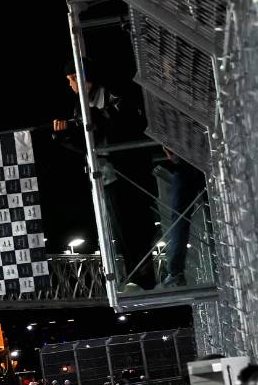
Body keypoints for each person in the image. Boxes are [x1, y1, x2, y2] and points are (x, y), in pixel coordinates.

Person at [54, 59, 156, 292]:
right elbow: (86, 145)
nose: (71, 85)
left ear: (86, 76)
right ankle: (136, 276)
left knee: (139, 222)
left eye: (73, 78)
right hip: (105, 174)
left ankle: (146, 275)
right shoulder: (79, 107)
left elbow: (127, 122)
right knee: (120, 227)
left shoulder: (111, 93)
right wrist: (65, 137)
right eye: (69, 80)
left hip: (129, 169)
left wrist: (95, 119)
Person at [153, 148, 206, 288]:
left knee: (179, 219)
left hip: (186, 164)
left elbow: (170, 150)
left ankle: (176, 271)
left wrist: (173, 155)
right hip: (202, 159)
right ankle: (175, 271)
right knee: (209, 209)